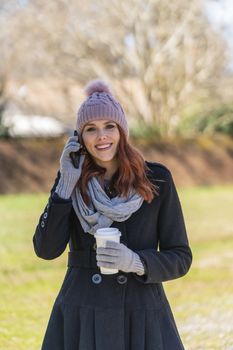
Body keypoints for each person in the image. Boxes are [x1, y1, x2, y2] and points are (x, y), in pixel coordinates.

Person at [33, 79, 192, 350]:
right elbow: (46, 250)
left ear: (122, 131)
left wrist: (136, 261)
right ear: (79, 138)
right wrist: (64, 187)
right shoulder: (71, 179)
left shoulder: (157, 179)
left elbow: (180, 257)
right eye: (90, 129)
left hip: (140, 314)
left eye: (110, 126)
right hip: (82, 312)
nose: (101, 136)